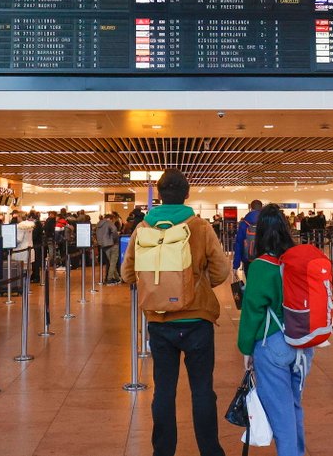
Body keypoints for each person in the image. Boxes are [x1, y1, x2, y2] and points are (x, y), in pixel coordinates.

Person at [121, 169, 229, 456]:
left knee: (164, 391)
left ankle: (163, 451)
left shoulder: (143, 228)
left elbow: (127, 273)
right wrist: (198, 284)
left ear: (158, 195)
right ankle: (210, 451)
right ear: (187, 194)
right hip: (197, 320)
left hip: (159, 320)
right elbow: (221, 270)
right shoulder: (200, 227)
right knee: (203, 390)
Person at [237, 204, 314, 456]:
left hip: (274, 345)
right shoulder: (298, 260)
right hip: (303, 342)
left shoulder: (261, 265)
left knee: (280, 412)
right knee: (294, 406)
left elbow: (253, 311)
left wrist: (246, 349)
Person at [233, 199, 263, 274]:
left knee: (249, 282)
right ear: (261, 208)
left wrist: (236, 264)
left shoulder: (244, 223)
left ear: (251, 208)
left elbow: (239, 244)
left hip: (247, 259)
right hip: (263, 259)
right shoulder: (266, 222)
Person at [95, 212, 120, 284]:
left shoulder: (99, 224)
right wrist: (115, 239)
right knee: (113, 262)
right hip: (112, 244)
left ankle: (117, 278)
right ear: (111, 218)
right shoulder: (109, 223)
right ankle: (109, 278)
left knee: (111, 262)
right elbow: (114, 231)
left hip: (104, 245)